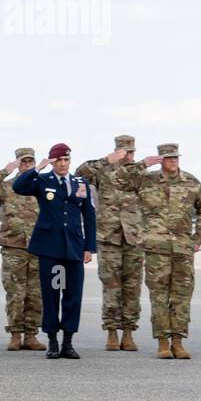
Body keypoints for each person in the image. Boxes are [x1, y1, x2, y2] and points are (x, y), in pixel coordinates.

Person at [110, 143, 201, 359]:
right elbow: (117, 180)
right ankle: (163, 342)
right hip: (157, 250)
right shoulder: (146, 180)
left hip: (183, 249)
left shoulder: (191, 182)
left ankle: (178, 341)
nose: (173, 160)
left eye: (175, 157)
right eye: (168, 157)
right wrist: (141, 165)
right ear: (160, 160)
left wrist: (199, 237)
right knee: (159, 297)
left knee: (182, 296)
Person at [12, 143, 96, 359]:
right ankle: (52, 341)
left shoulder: (80, 183)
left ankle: (68, 342)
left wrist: (89, 247)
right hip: (50, 248)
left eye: (66, 160)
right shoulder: (42, 180)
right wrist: (37, 168)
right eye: (58, 160)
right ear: (51, 161)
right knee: (51, 295)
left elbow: (89, 215)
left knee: (72, 295)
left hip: (74, 248)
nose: (62, 164)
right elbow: (18, 187)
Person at [76, 134, 144, 351]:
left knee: (132, 288)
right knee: (111, 286)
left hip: (134, 238)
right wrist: (107, 160)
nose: (128, 156)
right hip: (109, 238)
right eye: (124, 152)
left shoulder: (140, 173)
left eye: (131, 152)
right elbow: (79, 174)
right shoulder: (103, 171)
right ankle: (112, 332)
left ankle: (129, 332)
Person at [0, 147, 46, 352]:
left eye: (29, 161)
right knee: (15, 293)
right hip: (12, 246)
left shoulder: (42, 186)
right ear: (17, 162)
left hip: (38, 247)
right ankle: (15, 335)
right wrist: (5, 171)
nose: (26, 165)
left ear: (35, 163)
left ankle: (31, 335)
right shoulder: (6, 186)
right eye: (22, 161)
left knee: (36, 293)